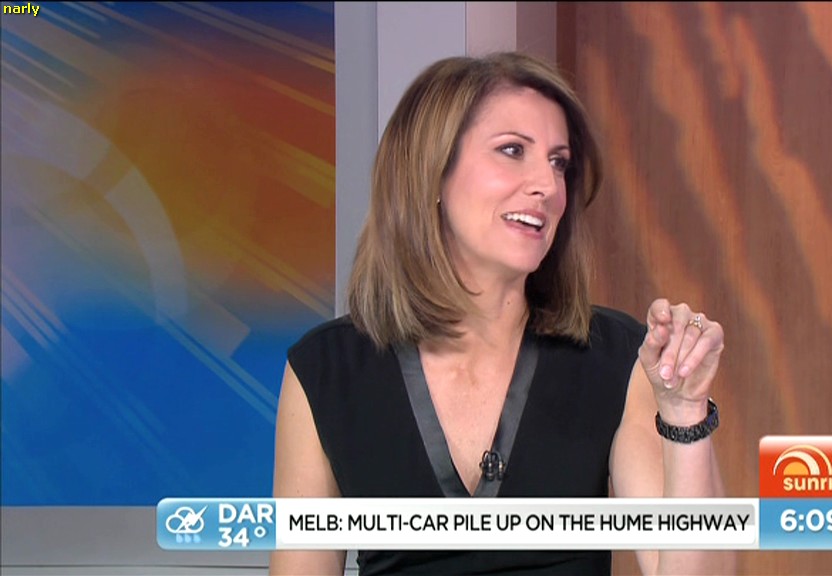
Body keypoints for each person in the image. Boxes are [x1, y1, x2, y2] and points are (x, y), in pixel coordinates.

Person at [270, 51, 730, 576]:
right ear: (431, 173)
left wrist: (685, 415)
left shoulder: (617, 357)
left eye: (559, 163)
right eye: (513, 150)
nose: (548, 186)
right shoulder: (326, 369)